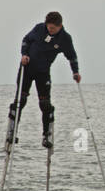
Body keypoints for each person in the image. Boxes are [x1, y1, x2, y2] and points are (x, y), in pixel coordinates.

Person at [14, 11, 80, 148]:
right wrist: (24, 54)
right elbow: (26, 40)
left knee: (45, 104)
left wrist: (75, 72)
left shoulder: (65, 39)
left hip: (43, 72)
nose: (50, 30)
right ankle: (12, 131)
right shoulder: (39, 29)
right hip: (27, 68)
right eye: (48, 27)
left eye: (53, 29)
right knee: (21, 100)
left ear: (60, 26)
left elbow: (72, 56)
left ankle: (46, 134)